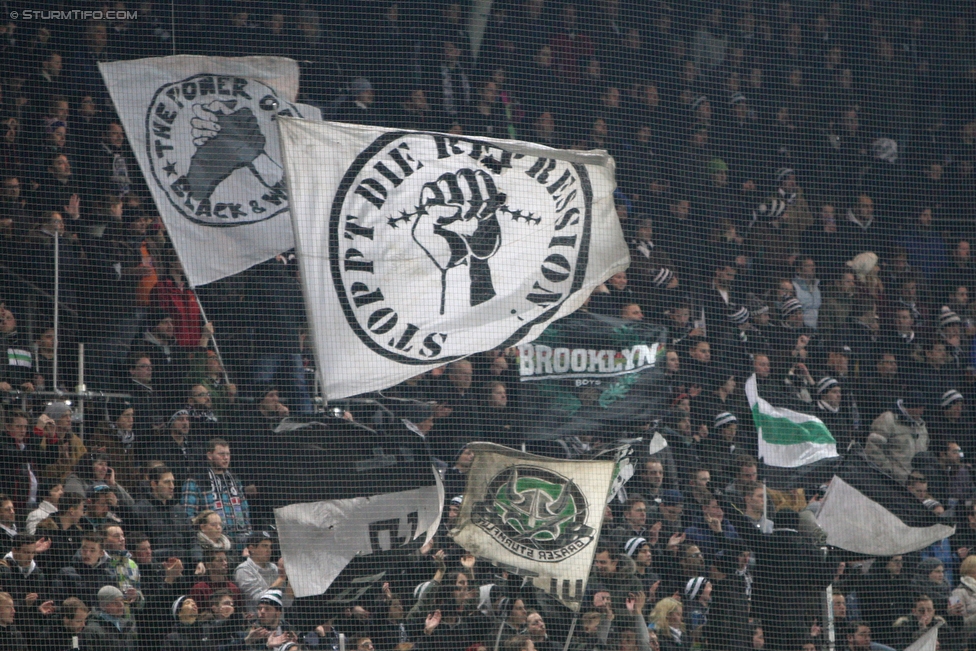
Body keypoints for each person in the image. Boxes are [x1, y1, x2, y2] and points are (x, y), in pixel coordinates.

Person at [182, 438, 251, 550]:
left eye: (228, 454)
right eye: (221, 454)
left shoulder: (234, 480)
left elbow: (245, 510)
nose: (226, 458)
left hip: (240, 539)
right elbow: (188, 516)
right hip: (212, 543)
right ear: (210, 455)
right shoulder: (195, 481)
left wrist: (249, 534)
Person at [132, 465, 190, 562]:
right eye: (167, 482)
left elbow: (191, 537)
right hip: (157, 566)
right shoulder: (140, 510)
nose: (172, 486)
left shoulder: (178, 510)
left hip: (185, 564)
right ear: (154, 484)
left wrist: (198, 560)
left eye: (173, 482)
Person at [234, 531, 290, 614]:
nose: (268, 550)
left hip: (278, 621)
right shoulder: (243, 570)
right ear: (251, 548)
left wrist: (291, 577)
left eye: (270, 547)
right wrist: (281, 578)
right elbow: (259, 599)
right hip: (257, 622)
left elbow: (286, 602)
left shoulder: (273, 568)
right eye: (264, 546)